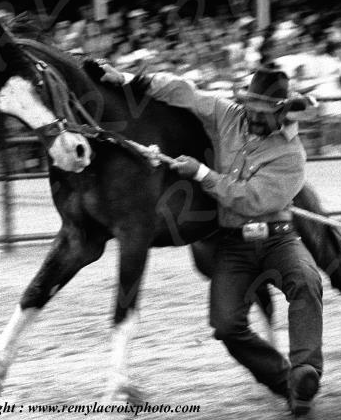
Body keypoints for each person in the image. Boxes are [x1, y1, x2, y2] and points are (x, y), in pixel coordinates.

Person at [98, 64, 323, 416]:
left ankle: (307, 368)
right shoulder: (229, 114)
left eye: (260, 112)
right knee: (225, 325)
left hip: (279, 238)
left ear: (280, 113)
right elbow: (182, 91)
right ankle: (285, 381)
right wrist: (128, 79)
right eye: (249, 107)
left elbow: (251, 199)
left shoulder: (292, 156)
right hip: (233, 243)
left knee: (306, 281)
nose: (251, 116)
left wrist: (202, 174)